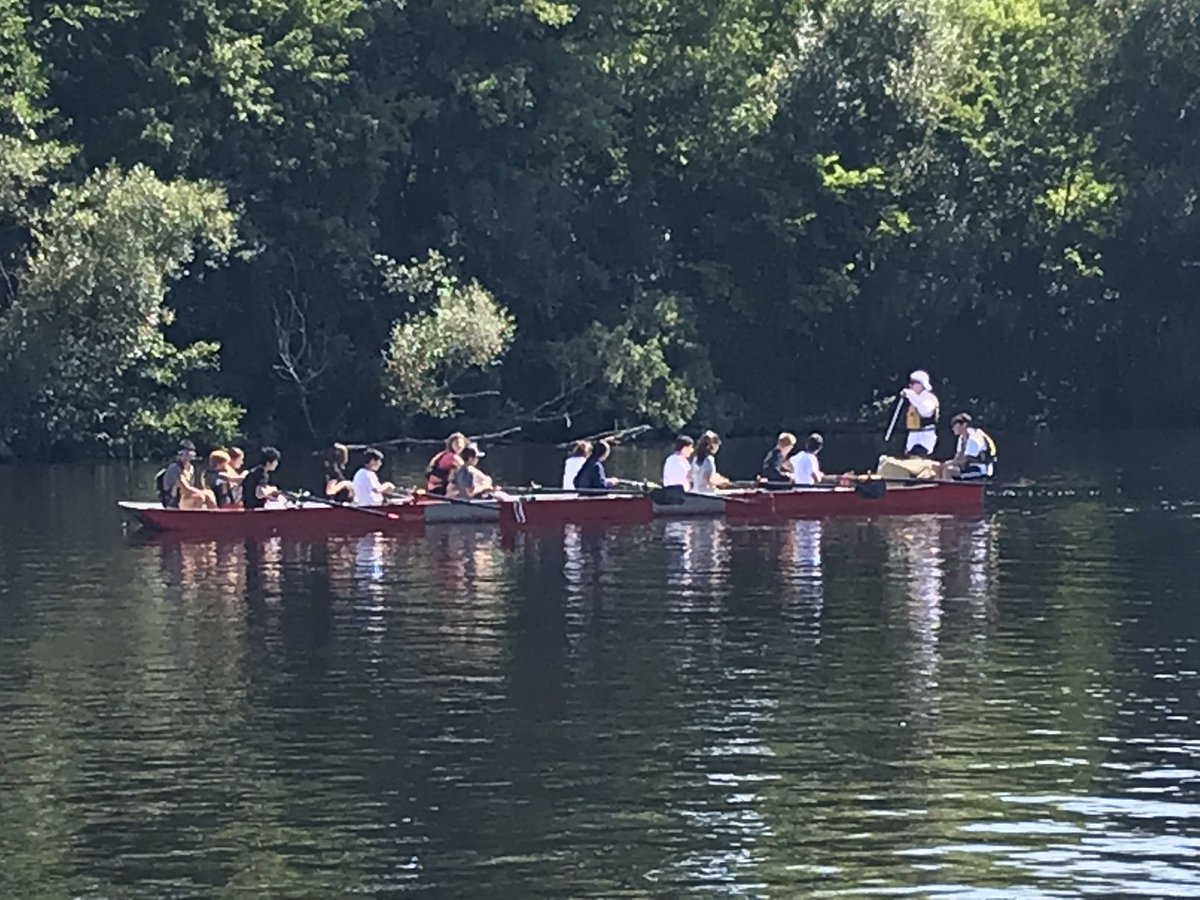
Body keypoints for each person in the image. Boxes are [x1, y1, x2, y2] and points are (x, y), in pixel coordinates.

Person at [941, 413, 997, 480]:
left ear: (964, 425)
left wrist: (947, 464)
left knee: (948, 471)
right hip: (970, 467)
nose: (952, 428)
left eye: (954, 425)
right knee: (944, 468)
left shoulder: (973, 439)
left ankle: (949, 490)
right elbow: (958, 457)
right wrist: (945, 464)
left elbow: (965, 461)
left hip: (980, 470)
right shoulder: (962, 439)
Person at [900, 369, 940, 456]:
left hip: (925, 435)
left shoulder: (930, 398)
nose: (911, 385)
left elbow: (924, 411)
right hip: (913, 435)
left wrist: (910, 395)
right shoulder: (913, 399)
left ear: (922, 384)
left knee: (918, 455)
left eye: (914, 382)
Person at [157, 440, 198, 508]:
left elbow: (190, 488)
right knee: (200, 497)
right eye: (184, 454)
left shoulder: (191, 468)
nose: (186, 457)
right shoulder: (174, 468)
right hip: (172, 502)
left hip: (184, 498)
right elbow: (185, 488)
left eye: (189, 455)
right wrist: (201, 493)